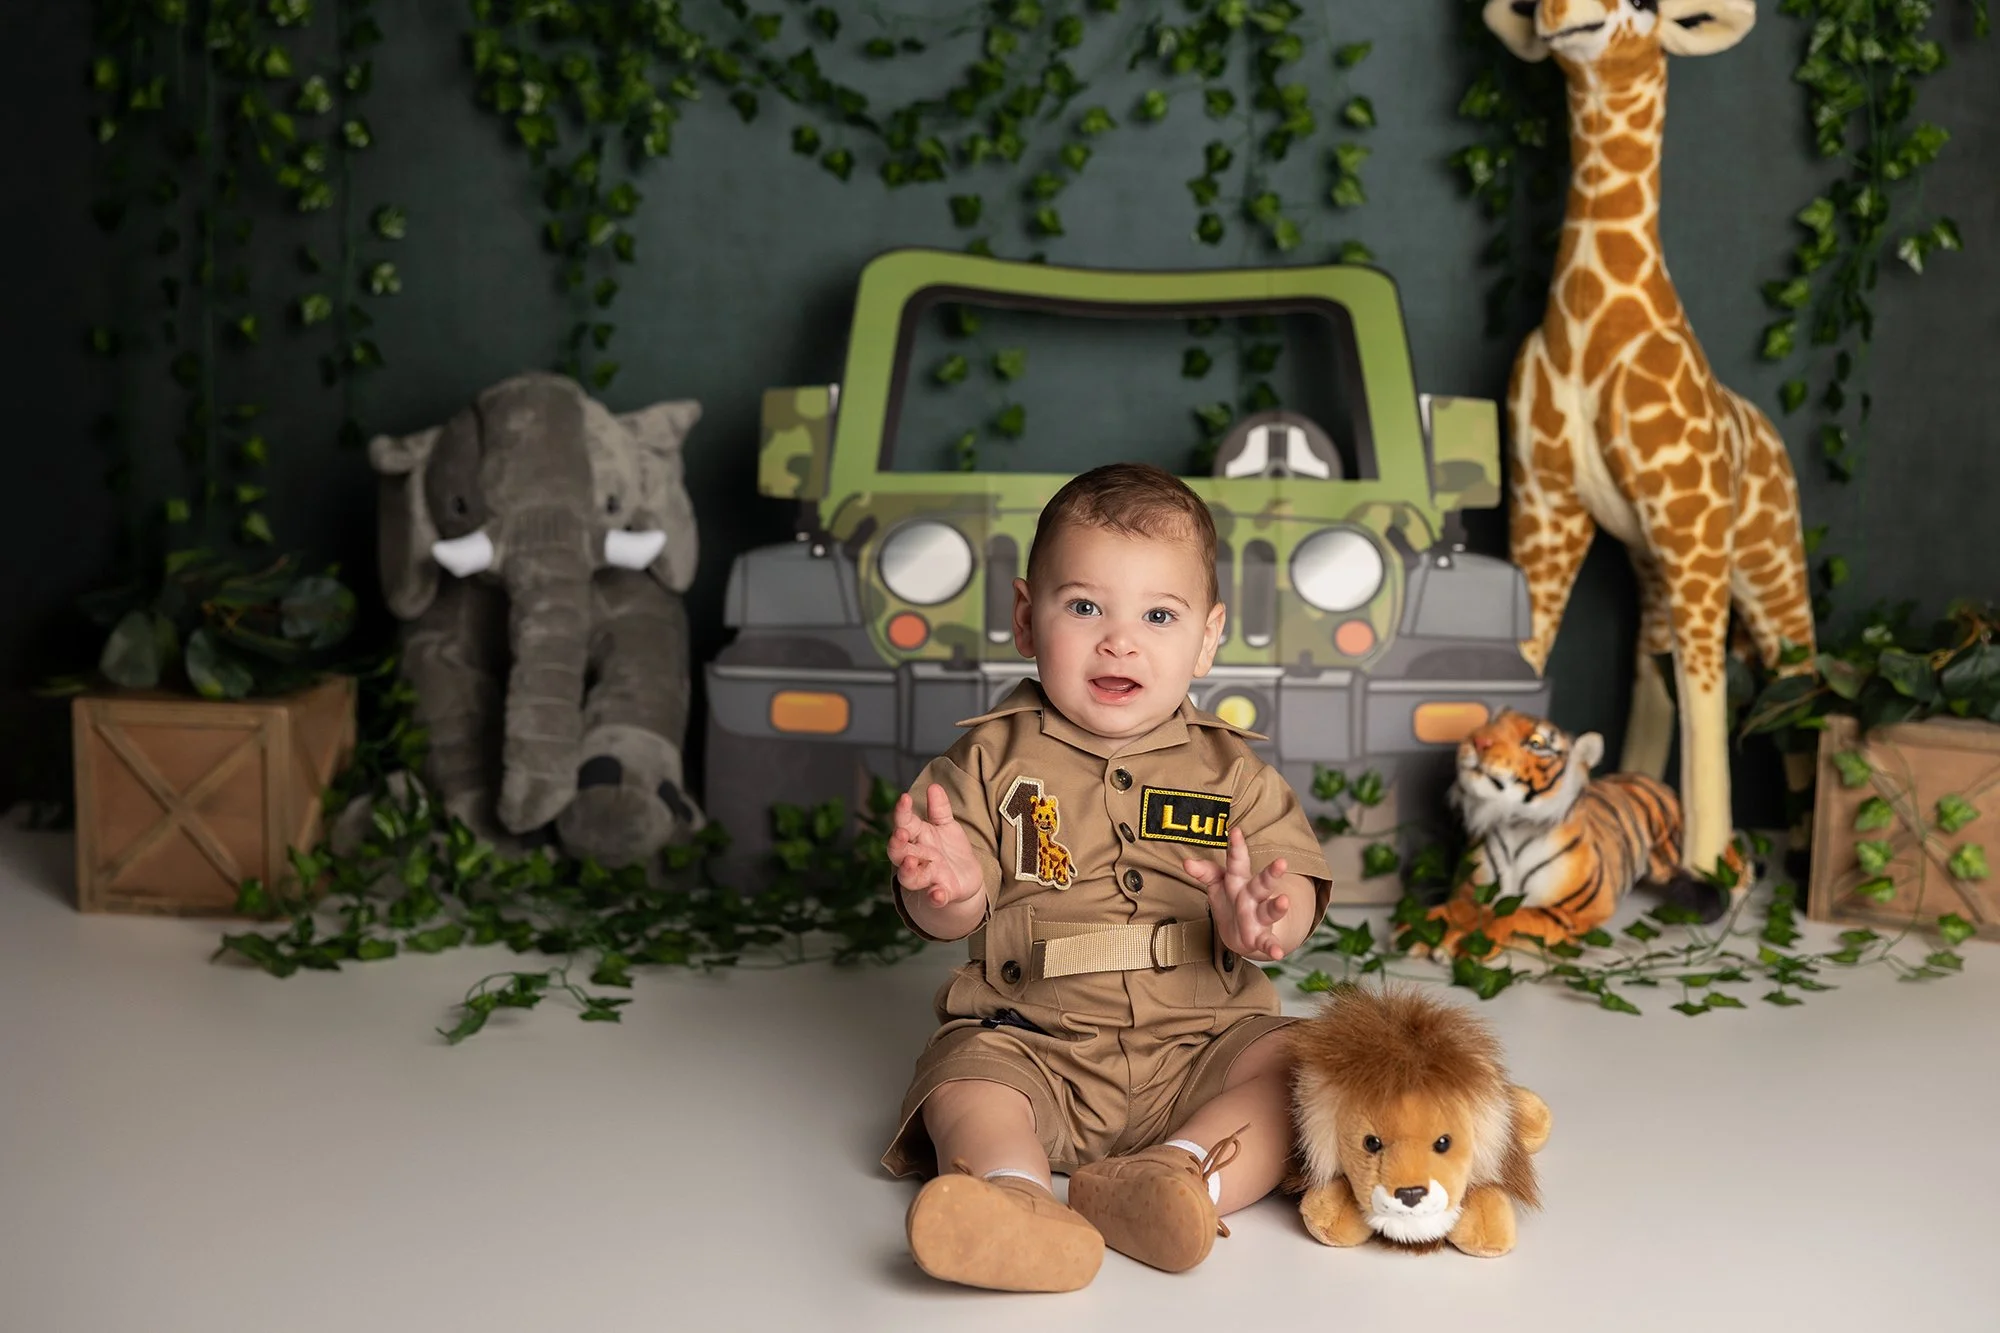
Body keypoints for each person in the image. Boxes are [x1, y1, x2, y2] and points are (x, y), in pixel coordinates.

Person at [882, 462, 1335, 1292]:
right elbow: (951, 913)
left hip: (1200, 1045)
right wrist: (944, 887)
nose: (1119, 640)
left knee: (1300, 1067)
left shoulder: (1232, 773)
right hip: (1035, 1039)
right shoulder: (986, 760)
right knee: (965, 1080)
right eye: (1085, 606)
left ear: (1207, 636)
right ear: (1026, 616)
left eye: (1159, 614)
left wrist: (1269, 918)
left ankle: (1179, 1175)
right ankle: (1014, 1203)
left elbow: (1288, 875)